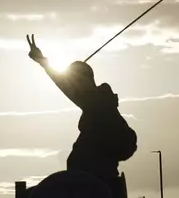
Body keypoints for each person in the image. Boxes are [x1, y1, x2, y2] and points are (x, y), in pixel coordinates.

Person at [26, 35, 137, 198]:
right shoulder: (98, 102)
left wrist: (43, 61)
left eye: (75, 80)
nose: (73, 85)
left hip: (92, 180)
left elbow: (65, 85)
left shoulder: (97, 102)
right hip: (94, 177)